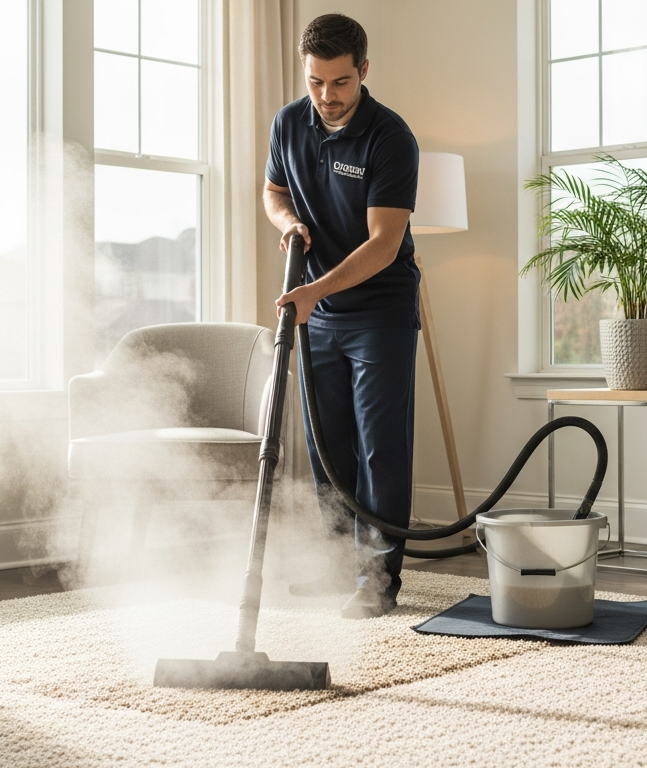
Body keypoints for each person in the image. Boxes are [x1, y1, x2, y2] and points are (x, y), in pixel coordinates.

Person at [263, 13, 419, 619]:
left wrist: (313, 290)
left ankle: (376, 585)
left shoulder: (390, 137)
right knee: (329, 449)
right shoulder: (287, 123)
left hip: (380, 313)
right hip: (319, 314)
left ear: (364, 72)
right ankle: (334, 571)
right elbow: (273, 191)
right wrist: (289, 223)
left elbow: (383, 243)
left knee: (379, 451)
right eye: (315, 83)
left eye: (340, 83)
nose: (326, 97)